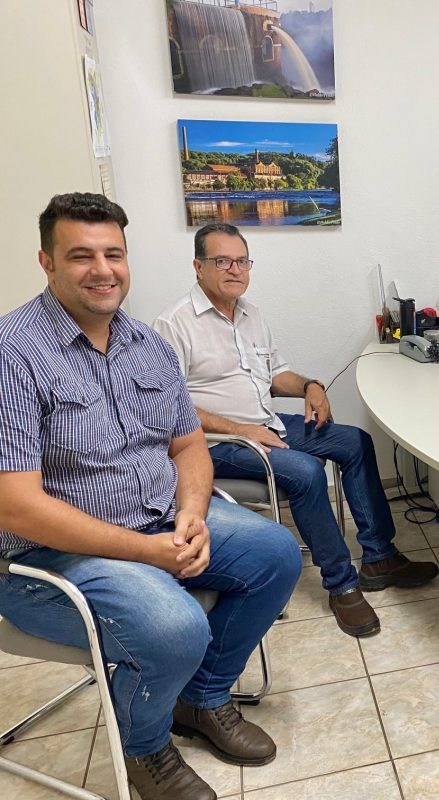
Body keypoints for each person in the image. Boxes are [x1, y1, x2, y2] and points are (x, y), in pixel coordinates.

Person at [0, 193, 302, 800]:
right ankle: (146, 746)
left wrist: (191, 516)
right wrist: (150, 552)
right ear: (46, 262)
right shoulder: (13, 352)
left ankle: (202, 697)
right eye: (81, 255)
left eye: (114, 253)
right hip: (50, 555)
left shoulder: (147, 344)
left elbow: (188, 445)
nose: (102, 269)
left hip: (163, 517)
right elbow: (16, 505)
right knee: (174, 626)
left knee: (276, 554)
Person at [153, 223, 439, 639]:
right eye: (222, 261)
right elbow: (169, 409)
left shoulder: (250, 314)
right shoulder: (173, 324)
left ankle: (379, 556)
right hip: (216, 441)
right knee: (305, 472)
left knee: (356, 442)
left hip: (265, 422)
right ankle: (341, 583)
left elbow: (274, 376)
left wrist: (310, 386)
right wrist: (241, 429)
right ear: (198, 267)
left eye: (242, 261)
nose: (235, 269)